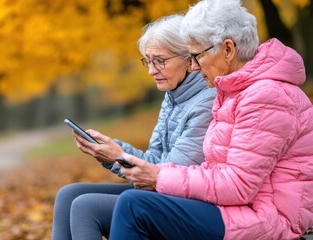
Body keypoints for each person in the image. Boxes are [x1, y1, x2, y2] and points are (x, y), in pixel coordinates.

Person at [109, 0, 313, 239]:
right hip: (237, 208)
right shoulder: (236, 91)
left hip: (267, 217)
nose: (193, 67)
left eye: (196, 56)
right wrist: (149, 172)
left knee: (135, 205)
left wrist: (159, 177)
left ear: (227, 50)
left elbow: (238, 185)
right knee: (129, 202)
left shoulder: (266, 96)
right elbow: (216, 169)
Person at [51, 14, 216, 240]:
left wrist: (116, 155)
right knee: (68, 195)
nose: (151, 70)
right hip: (162, 191)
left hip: (186, 201)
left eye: (160, 61)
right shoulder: (173, 96)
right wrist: (112, 152)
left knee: (84, 207)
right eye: (148, 60)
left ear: (189, 60)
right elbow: (153, 159)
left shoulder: (206, 102)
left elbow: (167, 176)